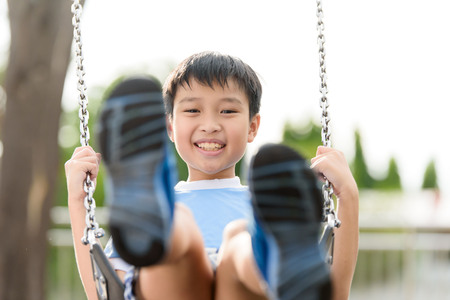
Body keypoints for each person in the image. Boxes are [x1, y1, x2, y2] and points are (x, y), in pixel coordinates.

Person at [65, 52, 359, 300]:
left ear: (252, 127)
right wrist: (78, 200)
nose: (210, 125)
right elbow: (106, 290)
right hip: (173, 284)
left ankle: (279, 261)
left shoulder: (268, 203)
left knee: (240, 238)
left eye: (228, 111)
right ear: (169, 126)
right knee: (179, 226)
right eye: (193, 110)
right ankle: (269, 257)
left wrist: (347, 196)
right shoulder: (147, 208)